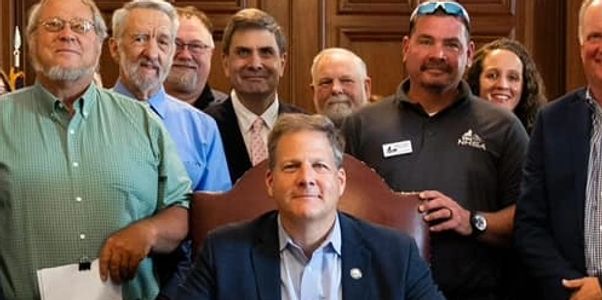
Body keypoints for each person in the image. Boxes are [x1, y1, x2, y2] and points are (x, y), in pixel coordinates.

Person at [0, 0, 192, 299]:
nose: (67, 34)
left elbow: (180, 208)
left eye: (80, 26)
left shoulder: (143, 122)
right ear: (31, 40)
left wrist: (149, 232)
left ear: (100, 45)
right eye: (53, 25)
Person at [341, 1, 529, 299]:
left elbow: (530, 217)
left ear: (469, 54)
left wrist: (472, 221)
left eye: (452, 44)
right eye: (426, 41)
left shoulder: (503, 127)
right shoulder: (362, 125)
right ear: (406, 47)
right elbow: (337, 212)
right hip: (380, 291)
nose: (438, 55)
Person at [175, 113, 444, 300]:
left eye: (319, 166)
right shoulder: (224, 252)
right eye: (291, 166)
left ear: (340, 182)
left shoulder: (396, 254)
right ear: (270, 182)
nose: (306, 179)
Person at [108, 0, 231, 297]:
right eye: (139, 39)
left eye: (164, 41)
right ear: (114, 48)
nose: (152, 53)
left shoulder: (202, 128)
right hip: (103, 278)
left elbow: (215, 227)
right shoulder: (85, 119)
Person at [514, 1, 602, 299]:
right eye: (595, 37)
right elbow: (529, 223)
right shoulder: (552, 121)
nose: (601, 47)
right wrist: (572, 290)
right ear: (581, 46)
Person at [204, 8, 304, 184]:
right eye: (243, 52)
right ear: (226, 63)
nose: (255, 64)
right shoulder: (203, 127)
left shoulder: (307, 129)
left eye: (266, 52)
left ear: (282, 63)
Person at [466, 38, 547, 134]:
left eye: (512, 78)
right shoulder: (455, 128)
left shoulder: (542, 135)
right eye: (492, 76)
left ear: (525, 86)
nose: (502, 85)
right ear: (476, 80)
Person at [164, 6, 228, 110]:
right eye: (176, 44)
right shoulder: (135, 110)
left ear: (211, 53)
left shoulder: (230, 113)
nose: (185, 55)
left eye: (196, 46)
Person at [310, 47, 371, 126]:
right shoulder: (301, 136)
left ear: (366, 88)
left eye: (346, 81)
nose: (335, 89)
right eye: (326, 82)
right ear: (314, 92)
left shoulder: (388, 134)